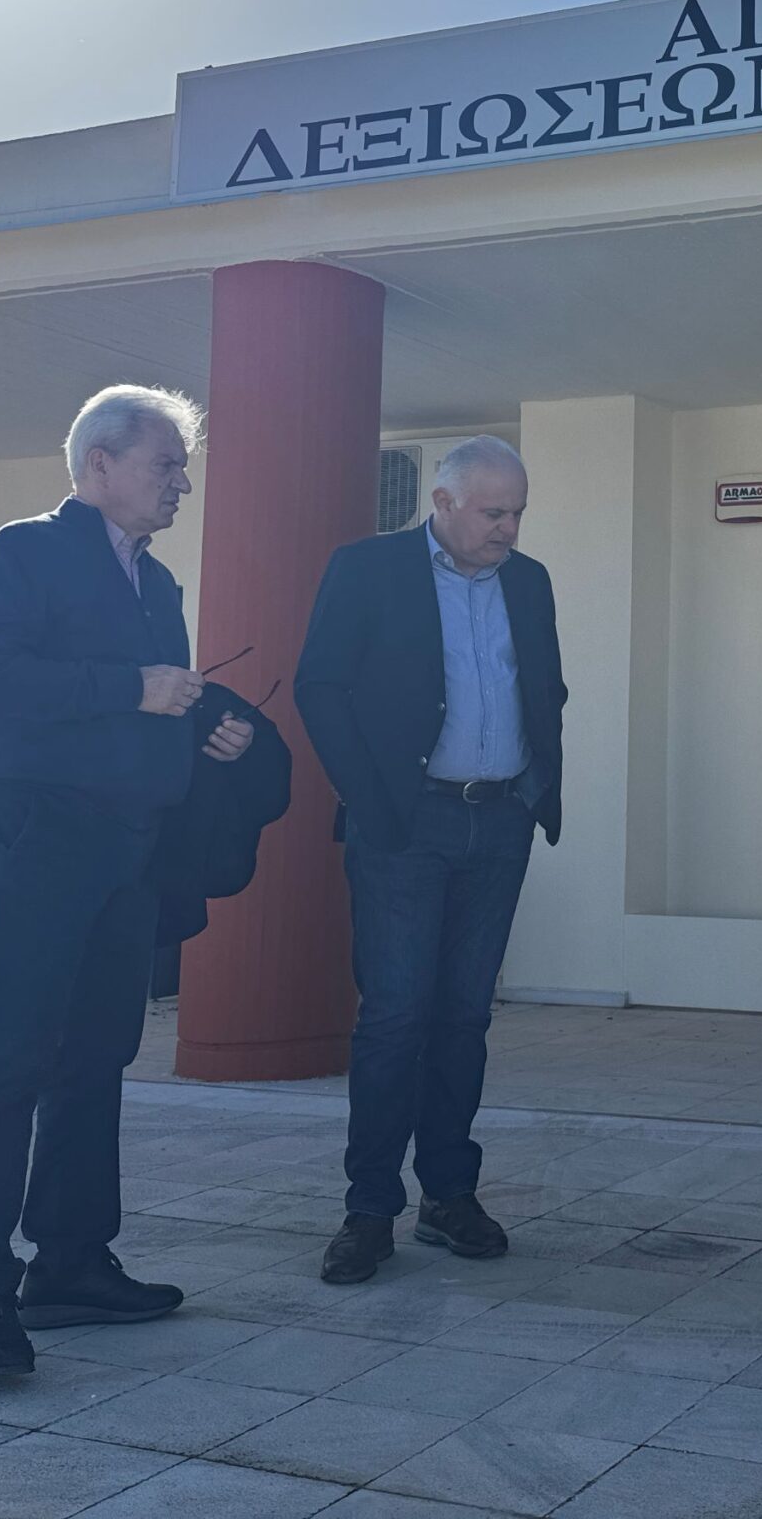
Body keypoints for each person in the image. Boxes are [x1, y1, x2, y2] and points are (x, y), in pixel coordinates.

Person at [0, 386, 252, 1376]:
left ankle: (71, 1264)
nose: (182, 484)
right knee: (14, 1056)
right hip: (39, 834)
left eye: (183, 467)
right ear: (99, 464)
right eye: (166, 465)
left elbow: (151, 707)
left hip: (130, 846)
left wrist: (205, 728)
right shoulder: (22, 551)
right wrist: (132, 688)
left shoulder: (157, 584)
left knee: (99, 1052)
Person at [296, 436, 566, 1284]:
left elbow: (545, 686)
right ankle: (369, 1209)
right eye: (494, 512)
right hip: (405, 827)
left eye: (518, 512)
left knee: (464, 1017)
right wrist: (373, 802)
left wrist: (534, 789)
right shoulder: (368, 569)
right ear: (442, 502)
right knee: (395, 1017)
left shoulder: (529, 581)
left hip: (501, 822)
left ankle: (449, 1196)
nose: (509, 528)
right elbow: (319, 686)